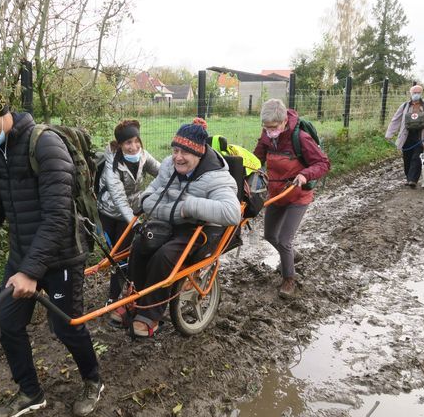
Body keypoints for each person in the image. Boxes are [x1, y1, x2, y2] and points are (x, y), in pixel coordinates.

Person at [0, 76, 103, 417]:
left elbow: (58, 215)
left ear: (0, 112)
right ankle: (30, 392)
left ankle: (93, 380)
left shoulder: (45, 145)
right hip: (22, 255)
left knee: (65, 326)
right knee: (7, 323)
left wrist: (32, 272)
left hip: (61, 254)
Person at [121, 118, 241, 337]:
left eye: (184, 152)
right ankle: (133, 300)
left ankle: (150, 316)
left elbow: (232, 212)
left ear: (199, 153)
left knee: (165, 256)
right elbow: (149, 196)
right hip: (168, 223)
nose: (177, 157)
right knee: (140, 243)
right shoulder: (169, 165)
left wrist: (189, 206)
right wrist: (169, 207)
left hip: (198, 229)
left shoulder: (216, 177)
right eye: (175, 150)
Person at [253, 99, 330, 298]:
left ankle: (289, 279)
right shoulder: (266, 137)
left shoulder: (301, 138)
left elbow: (323, 163)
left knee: (284, 240)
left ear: (284, 121)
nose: (270, 131)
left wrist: (305, 174)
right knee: (270, 235)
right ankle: (292, 256)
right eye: (266, 127)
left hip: (298, 195)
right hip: (276, 193)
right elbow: (256, 160)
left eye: (274, 127)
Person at [97, 119, 159, 308]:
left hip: (130, 214)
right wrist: (135, 220)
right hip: (108, 212)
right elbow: (118, 196)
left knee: (124, 253)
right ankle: (116, 294)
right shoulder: (112, 164)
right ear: (120, 145)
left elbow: (162, 171)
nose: (133, 147)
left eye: (136, 141)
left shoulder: (143, 156)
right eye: (128, 143)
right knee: (114, 254)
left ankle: (118, 294)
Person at [385, 85, 424, 188]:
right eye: (414, 92)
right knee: (407, 157)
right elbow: (396, 119)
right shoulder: (405, 106)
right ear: (411, 93)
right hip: (407, 136)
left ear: (421, 93)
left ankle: (413, 180)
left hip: (421, 136)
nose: (416, 94)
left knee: (417, 157)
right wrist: (389, 134)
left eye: (418, 92)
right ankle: (409, 178)